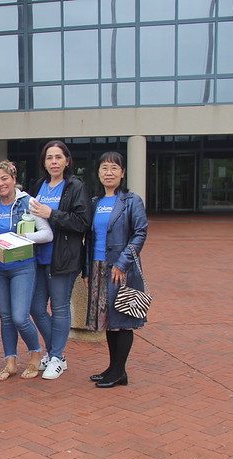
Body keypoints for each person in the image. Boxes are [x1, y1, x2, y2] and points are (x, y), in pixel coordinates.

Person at [28, 140, 91, 380]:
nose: (53, 162)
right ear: (44, 162)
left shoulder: (75, 186)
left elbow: (82, 222)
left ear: (67, 160)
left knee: (60, 307)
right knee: (35, 307)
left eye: (58, 157)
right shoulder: (38, 185)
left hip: (63, 258)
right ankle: (57, 353)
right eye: (49, 158)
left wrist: (51, 214)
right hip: (38, 257)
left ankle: (55, 356)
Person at [85, 152, 148, 388]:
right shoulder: (94, 202)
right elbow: (89, 239)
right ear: (98, 173)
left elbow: (140, 233)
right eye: (104, 168)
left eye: (114, 168)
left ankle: (120, 371)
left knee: (121, 318)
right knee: (108, 320)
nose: (108, 173)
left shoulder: (131, 201)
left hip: (119, 268)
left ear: (122, 173)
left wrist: (123, 263)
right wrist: (87, 271)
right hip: (98, 266)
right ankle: (113, 368)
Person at [0, 161, 53, 381]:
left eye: (4, 178)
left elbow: (47, 234)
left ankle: (35, 355)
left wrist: (22, 238)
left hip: (22, 267)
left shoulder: (29, 202)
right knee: (5, 317)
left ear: (14, 179)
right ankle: (10, 362)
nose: (0, 184)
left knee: (20, 317)